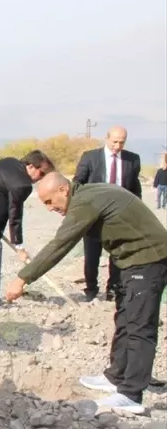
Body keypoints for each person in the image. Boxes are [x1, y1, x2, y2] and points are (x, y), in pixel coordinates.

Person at [4, 172, 167, 415]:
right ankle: (116, 376)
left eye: (49, 201)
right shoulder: (87, 194)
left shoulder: (84, 202)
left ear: (63, 190)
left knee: (139, 327)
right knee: (125, 319)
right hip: (130, 261)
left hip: (148, 260)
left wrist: (22, 278)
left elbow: (60, 244)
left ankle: (131, 394)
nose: (49, 208)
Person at [0, 150, 56, 306]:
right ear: (31, 166)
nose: (40, 178)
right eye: (41, 173)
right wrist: (19, 246)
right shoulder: (23, 184)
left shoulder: (9, 161)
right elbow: (15, 214)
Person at [72, 127, 141, 301]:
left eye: (122, 142)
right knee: (92, 255)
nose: (118, 146)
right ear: (107, 138)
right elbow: (77, 183)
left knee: (118, 254)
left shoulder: (133, 159)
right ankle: (91, 289)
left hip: (120, 216)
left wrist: (137, 212)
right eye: (114, 142)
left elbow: (135, 188)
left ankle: (113, 289)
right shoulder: (90, 157)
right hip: (94, 215)